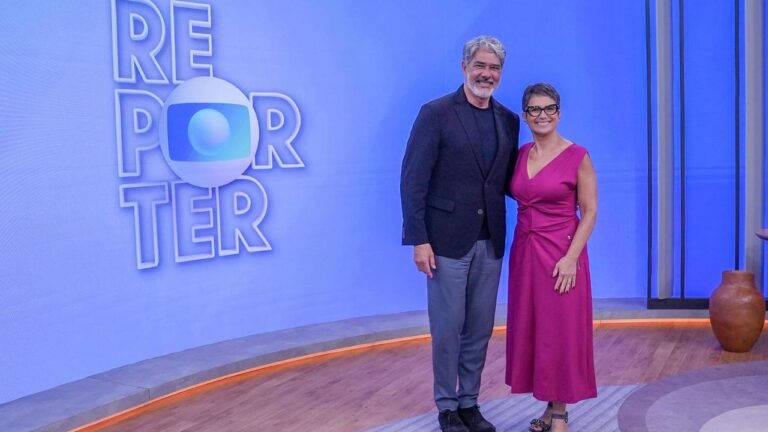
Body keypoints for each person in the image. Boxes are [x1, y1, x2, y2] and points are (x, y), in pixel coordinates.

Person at [400, 35, 520, 432]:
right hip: (445, 242)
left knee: (480, 327)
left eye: (494, 68)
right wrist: (418, 239)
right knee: (448, 327)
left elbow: (503, 181)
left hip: (491, 240)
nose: (487, 74)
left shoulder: (507, 119)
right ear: (464, 67)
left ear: (501, 73)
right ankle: (446, 406)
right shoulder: (435, 113)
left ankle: (470, 402)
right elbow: (413, 181)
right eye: (480, 66)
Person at [505, 83, 598, 432]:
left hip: (562, 255)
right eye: (534, 109)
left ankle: (560, 414)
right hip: (525, 253)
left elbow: (589, 212)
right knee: (538, 331)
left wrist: (572, 258)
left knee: (559, 331)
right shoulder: (521, 153)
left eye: (549, 108)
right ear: (525, 115)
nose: (542, 115)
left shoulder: (578, 155)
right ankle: (548, 407)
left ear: (558, 112)